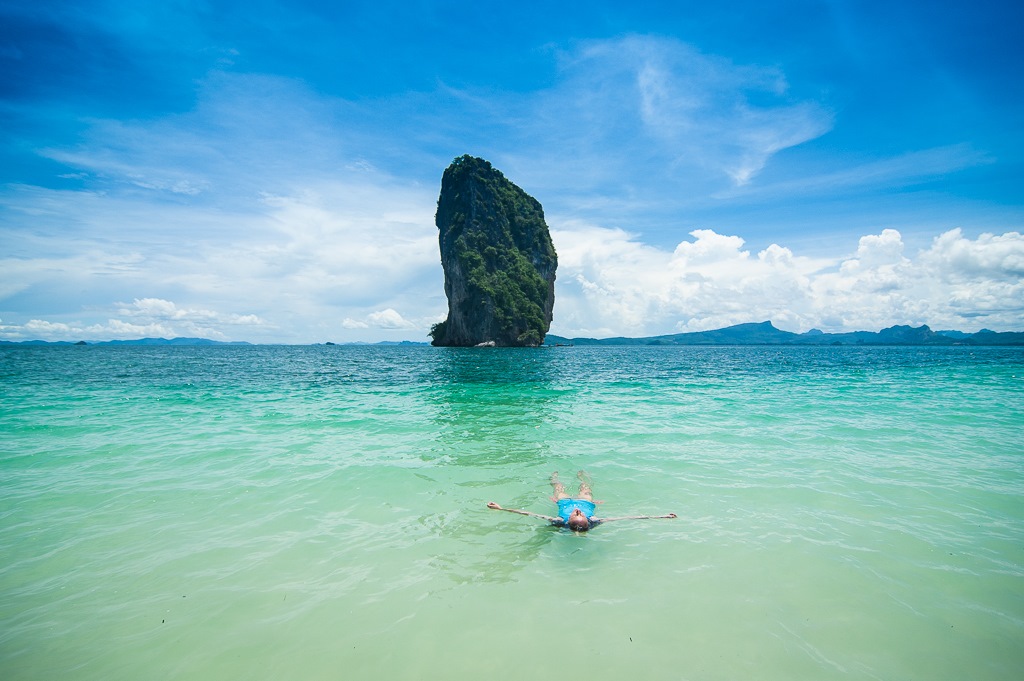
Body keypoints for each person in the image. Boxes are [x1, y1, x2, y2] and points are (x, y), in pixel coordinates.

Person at [486, 471, 677, 532]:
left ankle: (554, 477)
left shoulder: (560, 521)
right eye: (581, 514)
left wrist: (501, 509)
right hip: (587, 501)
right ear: (588, 518)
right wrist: (661, 516)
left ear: (569, 520)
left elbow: (529, 513)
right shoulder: (594, 520)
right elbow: (629, 517)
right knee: (586, 491)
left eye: (576, 514)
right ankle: (583, 478)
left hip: (563, 501)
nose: (578, 510)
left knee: (558, 488)